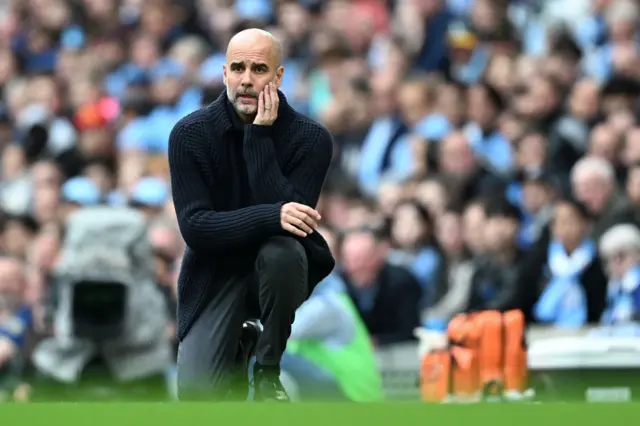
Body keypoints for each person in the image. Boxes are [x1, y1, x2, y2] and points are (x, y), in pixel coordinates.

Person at [168, 28, 335, 402]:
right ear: (225, 73)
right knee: (198, 400)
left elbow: (295, 228)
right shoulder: (190, 134)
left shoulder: (311, 138)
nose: (246, 80)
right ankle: (240, 338)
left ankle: (267, 371)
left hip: (276, 270)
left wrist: (259, 138)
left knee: (282, 251)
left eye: (258, 69)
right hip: (214, 273)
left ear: (278, 77)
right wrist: (270, 216)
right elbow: (196, 228)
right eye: (238, 68)